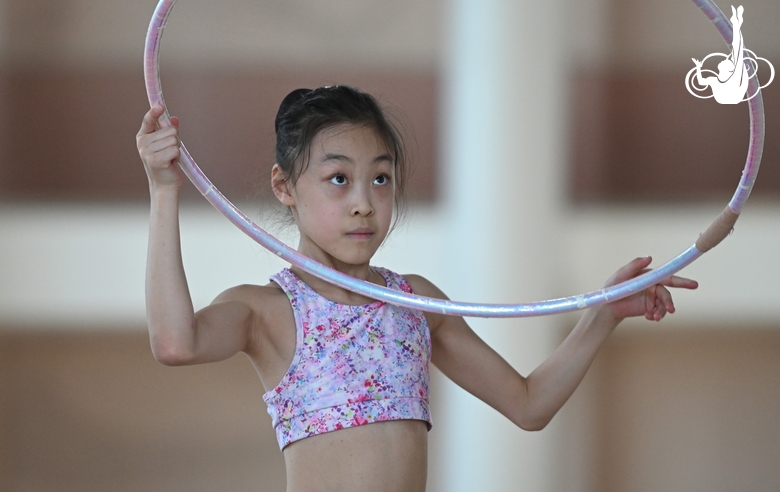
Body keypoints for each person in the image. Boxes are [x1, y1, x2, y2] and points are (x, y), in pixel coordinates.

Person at [136, 85, 698, 492]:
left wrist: (602, 313)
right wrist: (164, 191)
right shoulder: (265, 310)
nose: (363, 201)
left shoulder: (415, 302)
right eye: (338, 179)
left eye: (380, 178)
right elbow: (175, 343)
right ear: (285, 186)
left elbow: (528, 404)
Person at [692, 5, 749, 104]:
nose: (725, 59)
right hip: (728, 96)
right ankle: (736, 24)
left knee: (739, 58)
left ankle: (736, 24)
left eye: (726, 61)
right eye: (727, 61)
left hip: (732, 96)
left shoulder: (731, 78)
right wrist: (737, 25)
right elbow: (701, 82)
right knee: (739, 58)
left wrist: (698, 67)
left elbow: (738, 50)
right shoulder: (720, 79)